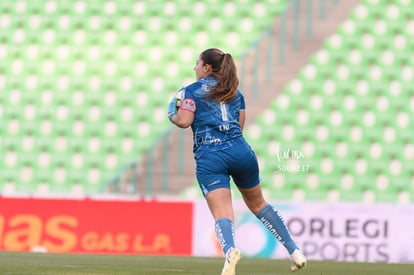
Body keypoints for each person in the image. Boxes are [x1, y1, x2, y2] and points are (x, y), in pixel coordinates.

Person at [167, 48, 307, 274]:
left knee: (223, 213)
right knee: (259, 204)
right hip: (240, 151)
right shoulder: (235, 92)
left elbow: (183, 121)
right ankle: (295, 251)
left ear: (206, 68)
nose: (194, 68)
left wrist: (171, 112)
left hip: (210, 155)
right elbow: (239, 127)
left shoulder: (190, 91)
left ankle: (230, 251)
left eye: (197, 63)